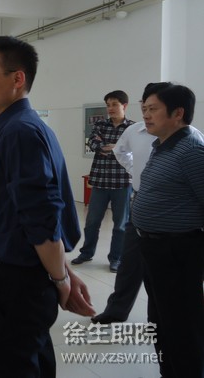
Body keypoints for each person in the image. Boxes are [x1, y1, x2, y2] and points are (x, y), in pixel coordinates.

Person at [0, 36, 95, 378]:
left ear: (17, 78)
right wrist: (62, 271)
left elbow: (41, 220)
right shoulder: (25, 127)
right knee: (31, 362)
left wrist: (61, 279)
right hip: (26, 276)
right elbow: (34, 214)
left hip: (15, 283)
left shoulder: (20, 132)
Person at [132, 82, 204, 378]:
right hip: (156, 249)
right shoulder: (163, 145)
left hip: (178, 251)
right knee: (161, 320)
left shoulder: (191, 151)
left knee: (182, 325)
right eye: (144, 109)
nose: (146, 115)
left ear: (178, 113)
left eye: (153, 109)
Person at [72, 90, 134, 272]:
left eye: (114, 104)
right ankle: (86, 253)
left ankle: (116, 258)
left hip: (122, 183)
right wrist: (117, 147)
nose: (110, 108)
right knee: (92, 222)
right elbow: (92, 143)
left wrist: (109, 147)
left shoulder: (132, 128)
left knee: (120, 225)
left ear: (124, 106)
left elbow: (132, 149)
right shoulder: (100, 125)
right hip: (99, 181)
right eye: (108, 105)